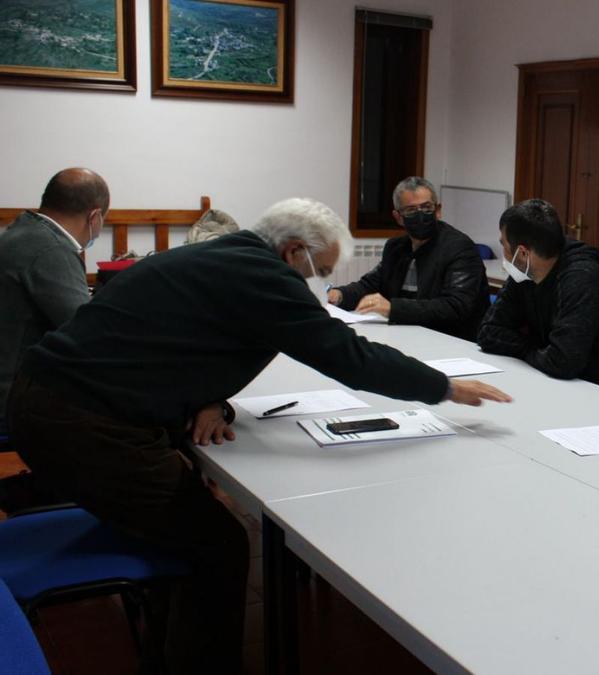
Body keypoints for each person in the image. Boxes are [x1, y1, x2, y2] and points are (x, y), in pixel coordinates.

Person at [6, 198, 511, 674]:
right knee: (219, 545)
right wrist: (441, 386)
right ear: (293, 251)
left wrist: (213, 398)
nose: (319, 281)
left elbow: (190, 341)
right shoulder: (263, 275)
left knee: (188, 528)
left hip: (53, 400)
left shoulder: (225, 258)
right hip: (80, 422)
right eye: (321, 268)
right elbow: (345, 354)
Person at [477, 198, 599, 398]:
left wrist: (524, 346)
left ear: (522, 252)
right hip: (552, 385)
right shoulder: (524, 272)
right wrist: (538, 351)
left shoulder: (583, 278)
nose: (503, 251)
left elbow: (562, 362)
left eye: (503, 244)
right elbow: (488, 332)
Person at [0, 168, 108, 433]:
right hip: (12, 399)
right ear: (94, 217)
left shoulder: (22, 230)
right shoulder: (52, 249)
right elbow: (87, 334)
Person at [330, 177, 490, 340]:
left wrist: (393, 309)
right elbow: (370, 285)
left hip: (451, 339)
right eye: (411, 210)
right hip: (405, 332)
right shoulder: (396, 247)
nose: (420, 215)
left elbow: (455, 306)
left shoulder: (459, 247)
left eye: (427, 207)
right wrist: (339, 295)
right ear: (398, 217)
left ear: (438, 210)